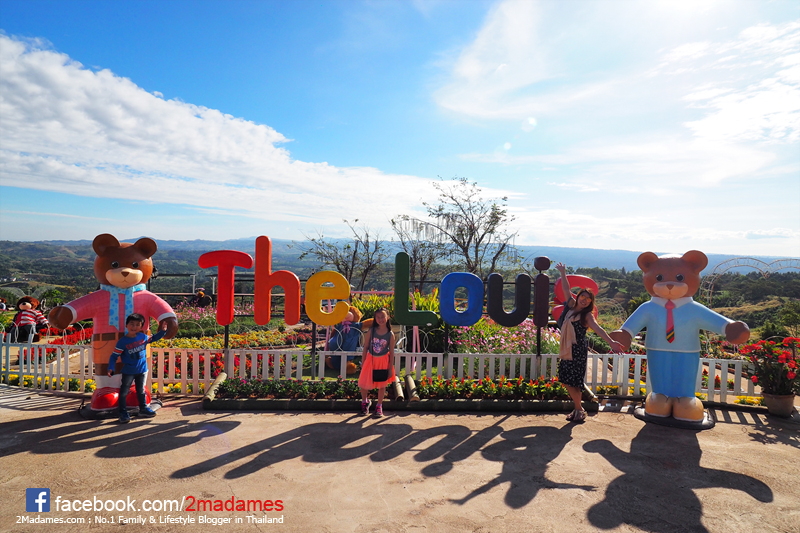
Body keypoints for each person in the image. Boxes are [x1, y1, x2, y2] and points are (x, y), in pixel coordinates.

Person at [555, 262, 624, 423]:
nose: (584, 300)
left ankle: (579, 409)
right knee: (567, 380)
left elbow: (598, 329)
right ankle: (578, 409)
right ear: (578, 297)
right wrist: (563, 273)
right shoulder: (571, 306)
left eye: (588, 299)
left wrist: (611, 342)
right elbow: (566, 289)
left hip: (577, 350)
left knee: (574, 381)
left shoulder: (587, 315)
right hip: (567, 348)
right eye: (582, 297)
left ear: (591, 302)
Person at [107, 313, 168, 423]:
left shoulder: (143, 337)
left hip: (142, 370)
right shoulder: (122, 342)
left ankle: (143, 409)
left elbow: (153, 338)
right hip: (129, 372)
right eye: (132, 324)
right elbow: (114, 356)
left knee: (141, 390)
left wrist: (163, 331)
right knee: (124, 392)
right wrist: (111, 367)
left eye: (137, 325)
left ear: (141, 327)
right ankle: (123, 413)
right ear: (126, 325)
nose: (134, 327)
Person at [358, 308, 395, 417]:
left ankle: (379, 406)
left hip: (383, 361)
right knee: (364, 382)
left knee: (382, 384)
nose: (380, 319)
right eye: (378, 317)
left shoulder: (390, 334)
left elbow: (392, 352)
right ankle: (364, 402)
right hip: (370, 360)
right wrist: (363, 362)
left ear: (387, 317)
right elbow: (365, 347)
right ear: (375, 318)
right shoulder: (372, 331)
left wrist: (390, 368)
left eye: (382, 316)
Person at [326, 305, 364, 375]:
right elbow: (334, 332)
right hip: (337, 342)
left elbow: (365, 324)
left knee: (349, 350)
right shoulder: (340, 326)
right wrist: (330, 341)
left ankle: (348, 364)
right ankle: (334, 363)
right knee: (335, 349)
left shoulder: (355, 325)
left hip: (349, 343)